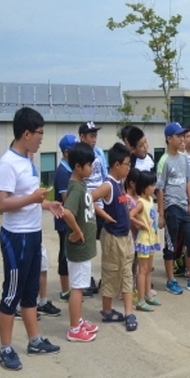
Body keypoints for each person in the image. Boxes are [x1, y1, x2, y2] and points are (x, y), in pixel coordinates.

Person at [0, 107, 63, 370]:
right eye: (39, 133)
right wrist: (34, 199)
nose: (41, 138)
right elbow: (1, 203)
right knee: (12, 293)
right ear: (26, 133)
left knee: (31, 291)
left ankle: (34, 340)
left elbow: (29, 199)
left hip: (33, 234)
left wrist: (46, 205)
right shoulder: (7, 164)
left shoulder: (28, 161)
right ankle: (6, 348)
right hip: (16, 237)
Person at [156, 122, 190, 293]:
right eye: (179, 136)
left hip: (184, 207)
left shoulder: (184, 159)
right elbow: (160, 188)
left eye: (183, 136)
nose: (182, 139)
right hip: (171, 207)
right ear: (169, 139)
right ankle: (171, 280)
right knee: (171, 246)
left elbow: (188, 182)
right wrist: (161, 214)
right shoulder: (164, 161)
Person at [61, 142, 101, 342]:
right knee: (77, 288)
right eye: (89, 165)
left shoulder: (81, 183)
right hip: (78, 248)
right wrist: (77, 232)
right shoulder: (75, 187)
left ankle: (78, 319)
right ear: (78, 166)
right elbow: (66, 211)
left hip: (84, 248)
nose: (92, 168)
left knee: (81, 286)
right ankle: (74, 328)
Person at [97, 143, 138, 331]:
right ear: (116, 164)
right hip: (112, 238)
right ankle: (107, 310)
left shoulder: (121, 183)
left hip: (125, 235)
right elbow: (88, 199)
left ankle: (129, 313)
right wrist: (105, 216)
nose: (129, 168)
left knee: (127, 273)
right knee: (111, 273)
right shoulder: (108, 185)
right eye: (127, 164)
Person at [53, 134, 93, 301]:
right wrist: (77, 230)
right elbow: (67, 206)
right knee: (65, 257)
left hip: (73, 225)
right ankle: (65, 290)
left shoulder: (75, 177)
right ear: (67, 152)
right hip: (66, 226)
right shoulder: (64, 174)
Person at [78, 120, 108, 293]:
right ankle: (86, 281)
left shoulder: (99, 153)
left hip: (101, 203)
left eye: (95, 135)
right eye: (91, 136)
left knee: (105, 242)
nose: (94, 139)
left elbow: (104, 175)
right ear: (82, 137)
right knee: (88, 245)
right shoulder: (78, 154)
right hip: (87, 205)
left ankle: (106, 278)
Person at [129, 171, 162, 311]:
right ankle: (141, 299)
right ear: (144, 186)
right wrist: (140, 224)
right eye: (151, 185)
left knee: (148, 269)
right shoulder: (141, 202)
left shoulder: (149, 200)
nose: (154, 188)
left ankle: (148, 294)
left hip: (152, 238)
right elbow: (130, 215)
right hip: (144, 239)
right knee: (142, 270)